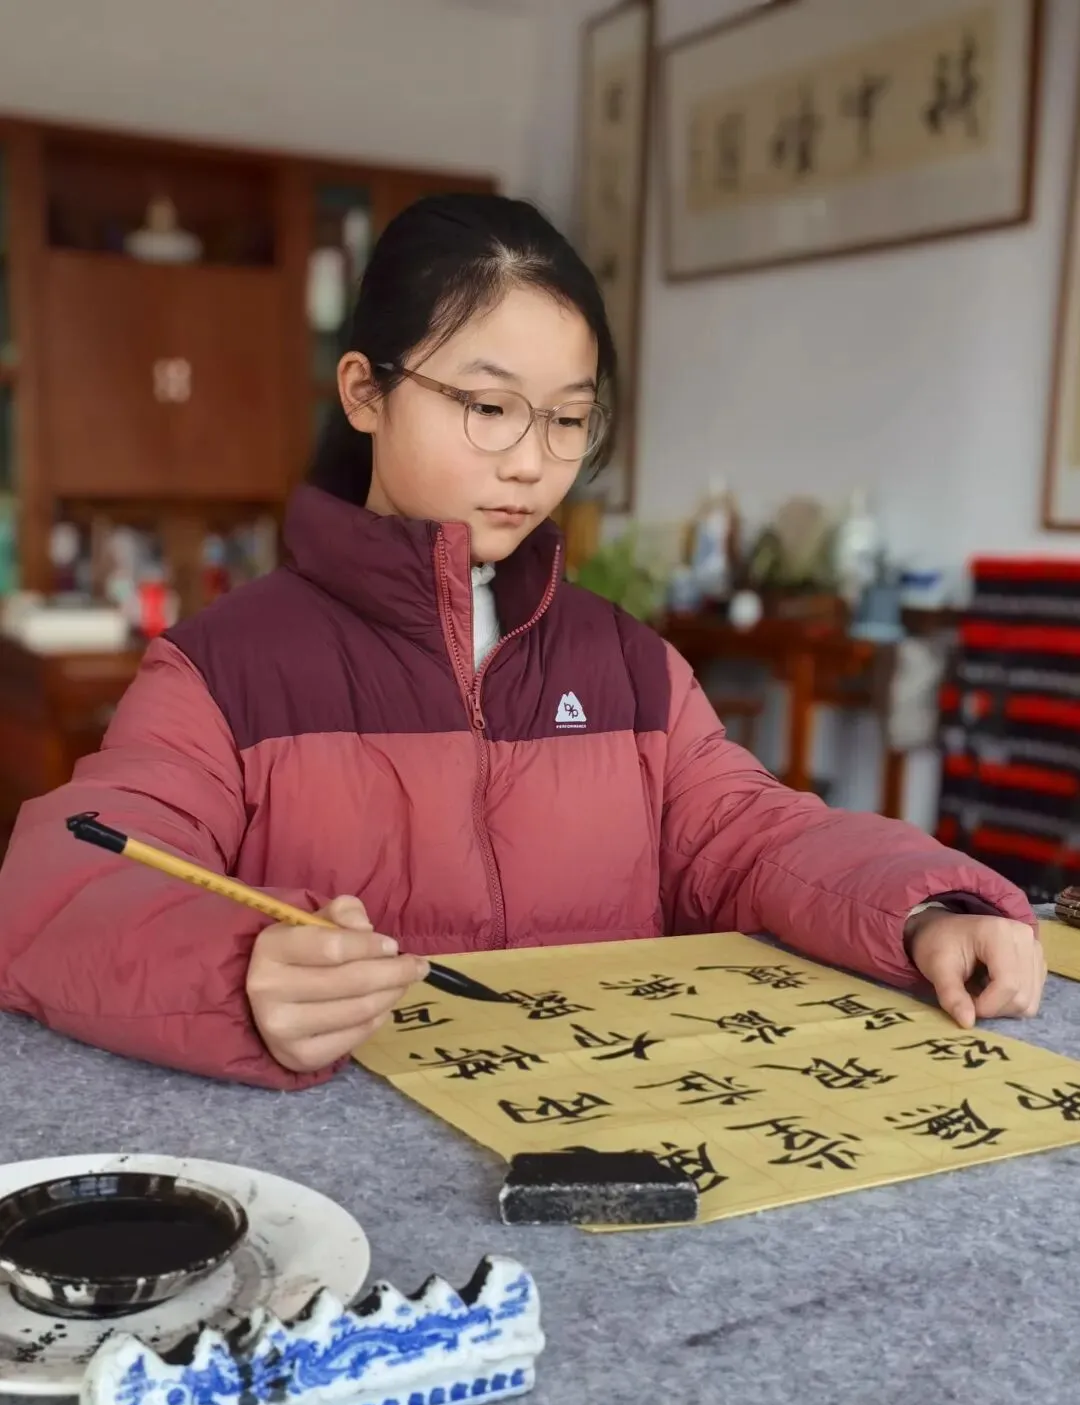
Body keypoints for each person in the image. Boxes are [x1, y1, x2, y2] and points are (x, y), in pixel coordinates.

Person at [0, 194, 1045, 1090]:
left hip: (606, 1131)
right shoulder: (225, 669)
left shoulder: (630, 665)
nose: (530, 463)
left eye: (567, 420)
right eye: (490, 406)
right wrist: (237, 969)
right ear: (365, 390)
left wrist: (924, 905)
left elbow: (750, 835)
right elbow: (60, 885)